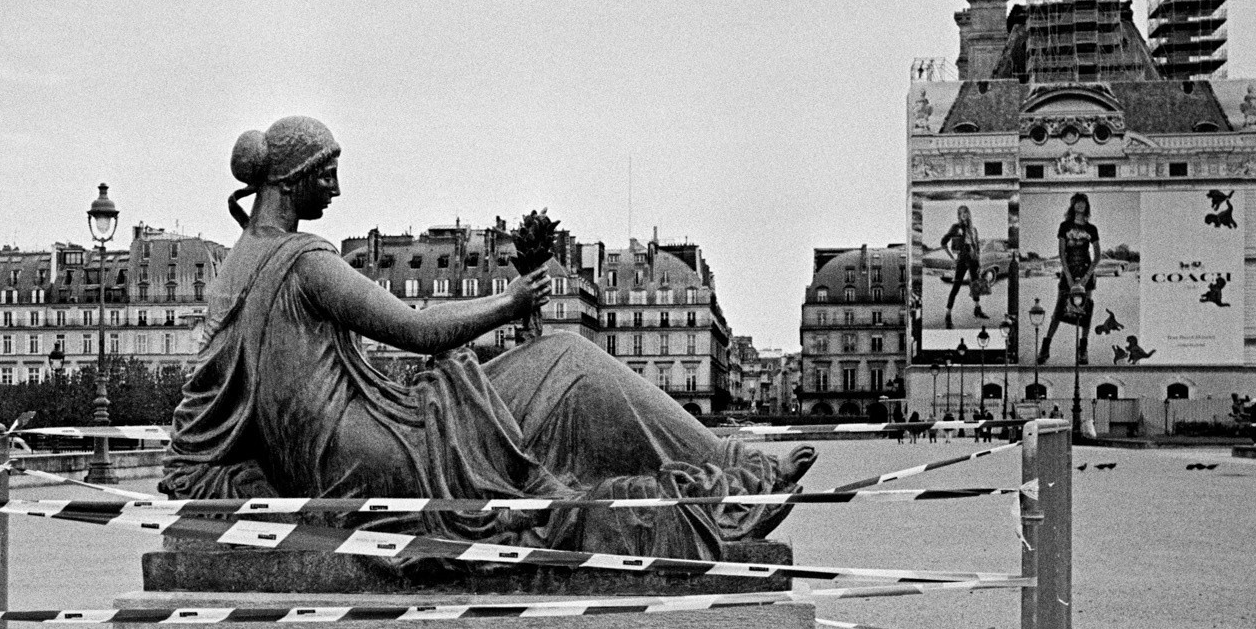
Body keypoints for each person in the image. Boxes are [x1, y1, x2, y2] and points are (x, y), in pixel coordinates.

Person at [163, 116, 814, 559]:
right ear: (292, 176)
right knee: (570, 364)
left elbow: (209, 402)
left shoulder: (238, 263)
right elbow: (419, 329)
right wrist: (509, 301)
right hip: (375, 455)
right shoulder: (306, 262)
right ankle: (730, 474)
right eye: (325, 171)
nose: (334, 186)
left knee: (558, 376)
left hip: (336, 453)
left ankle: (722, 469)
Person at [1037, 193, 1101, 366]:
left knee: (1085, 312)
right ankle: (1045, 348)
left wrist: (1087, 277)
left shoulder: (1092, 229)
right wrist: (1069, 277)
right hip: (1068, 273)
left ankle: (1083, 350)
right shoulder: (1064, 226)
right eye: (1077, 203)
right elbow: (1062, 254)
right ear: (1072, 206)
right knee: (1059, 310)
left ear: (1087, 206)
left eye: (1083, 203)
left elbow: (1097, 256)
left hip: (1086, 273)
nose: (1080, 206)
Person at [940, 205, 988, 330]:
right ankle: (948, 315)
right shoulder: (956, 228)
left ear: (969, 214)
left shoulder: (974, 229)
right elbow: (943, 242)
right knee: (956, 287)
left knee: (976, 285)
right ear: (959, 215)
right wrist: (952, 257)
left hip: (973, 260)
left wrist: (979, 262)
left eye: (966, 213)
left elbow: (977, 247)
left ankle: (977, 309)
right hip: (962, 260)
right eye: (961, 213)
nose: (964, 215)